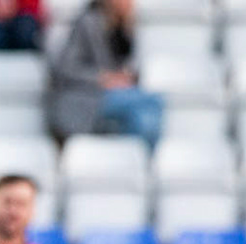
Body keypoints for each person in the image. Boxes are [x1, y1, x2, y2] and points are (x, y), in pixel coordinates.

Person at [47, 0, 162, 146]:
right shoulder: (87, 23)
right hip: (84, 97)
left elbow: (127, 65)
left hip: (110, 96)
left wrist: (125, 77)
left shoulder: (125, 27)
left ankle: (134, 159)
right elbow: (66, 67)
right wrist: (103, 79)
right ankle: (139, 158)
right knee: (152, 101)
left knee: (143, 117)